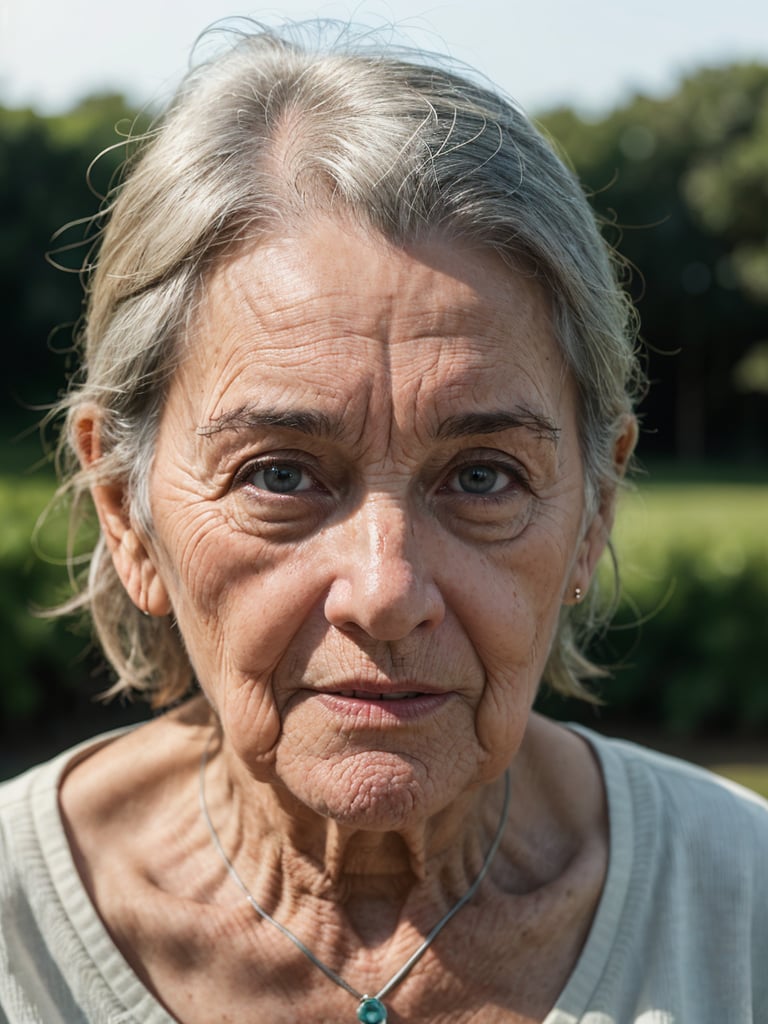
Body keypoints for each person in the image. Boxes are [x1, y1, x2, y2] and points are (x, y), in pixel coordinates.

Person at [1, 22, 766, 1024]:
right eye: (281, 473)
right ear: (126, 513)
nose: (386, 589)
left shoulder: (738, 906)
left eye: (483, 477)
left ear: (594, 510)